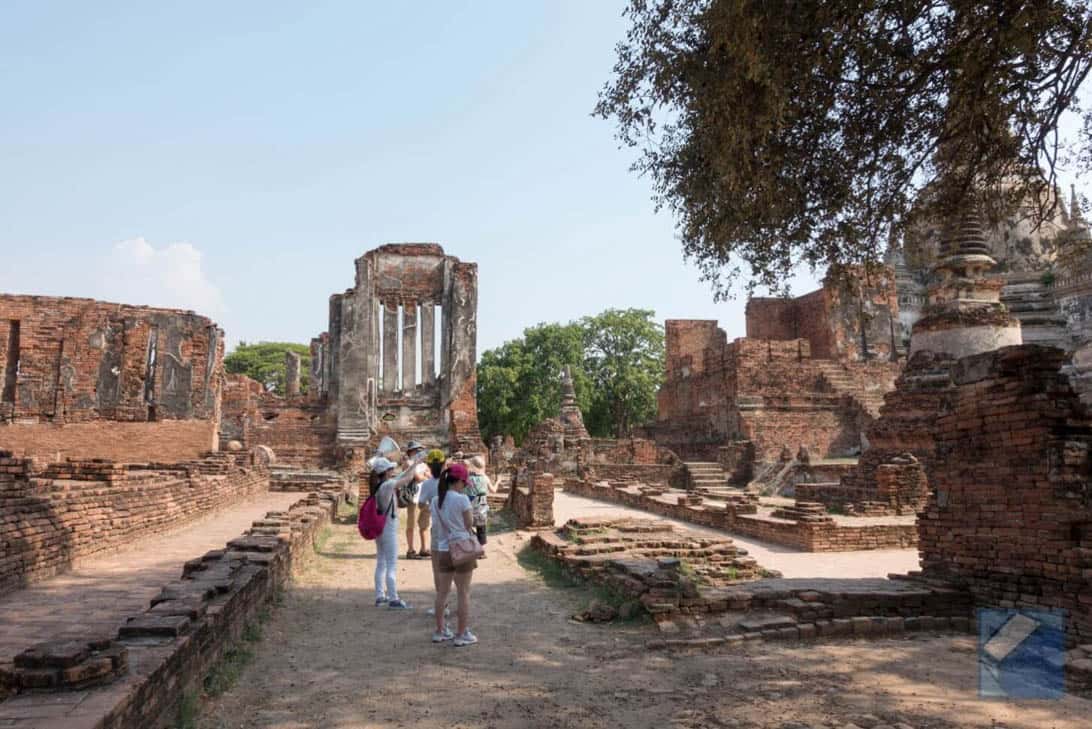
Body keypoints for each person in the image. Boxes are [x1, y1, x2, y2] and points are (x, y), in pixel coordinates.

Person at [430, 462, 478, 646]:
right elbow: (468, 524)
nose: (464, 486)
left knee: (442, 593)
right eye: (463, 483)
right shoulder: (462, 499)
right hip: (462, 548)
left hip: (443, 548)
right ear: (458, 481)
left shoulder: (436, 500)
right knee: (463, 592)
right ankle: (461, 633)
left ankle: (440, 631)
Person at [369, 456, 418, 609]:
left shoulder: (379, 485)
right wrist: (414, 465)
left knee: (381, 562)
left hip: (380, 527)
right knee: (391, 563)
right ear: (386, 472)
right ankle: (393, 598)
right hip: (388, 527)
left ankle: (380, 596)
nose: (392, 471)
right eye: (390, 469)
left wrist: (411, 465)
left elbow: (401, 476)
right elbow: (407, 479)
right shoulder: (387, 485)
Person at [402, 441, 427, 559]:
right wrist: (424, 476)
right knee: (411, 525)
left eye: (420, 450)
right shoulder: (409, 463)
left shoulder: (423, 464)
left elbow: (430, 476)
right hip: (413, 497)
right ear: (411, 452)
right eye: (416, 450)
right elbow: (418, 478)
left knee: (424, 525)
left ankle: (424, 548)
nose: (419, 452)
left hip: (424, 497)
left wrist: (424, 476)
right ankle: (411, 550)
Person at [466, 455, 495, 546]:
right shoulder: (485, 478)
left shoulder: (468, 478)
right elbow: (493, 490)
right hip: (481, 506)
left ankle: (474, 544)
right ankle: (481, 550)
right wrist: (498, 481)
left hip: (470, 506)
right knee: (481, 528)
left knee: (467, 527)